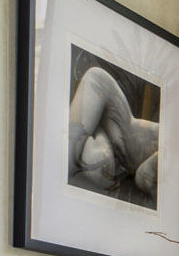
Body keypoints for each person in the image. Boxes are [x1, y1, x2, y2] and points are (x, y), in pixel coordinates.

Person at [65, 63, 160, 199]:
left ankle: (60, 167)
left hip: (125, 149)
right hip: (123, 135)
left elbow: (144, 178)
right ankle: (62, 164)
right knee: (96, 77)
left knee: (94, 157)